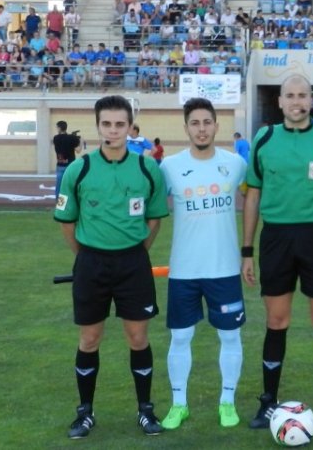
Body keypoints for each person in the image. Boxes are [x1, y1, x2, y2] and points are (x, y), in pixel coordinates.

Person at [241, 74, 313, 433]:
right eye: (289, 95)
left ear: (311, 101)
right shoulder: (264, 138)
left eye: (302, 95)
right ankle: (268, 401)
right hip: (275, 239)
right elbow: (253, 196)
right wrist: (247, 250)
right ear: (279, 102)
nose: (296, 101)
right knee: (276, 321)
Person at [54, 95, 171, 440]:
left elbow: (154, 219)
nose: (113, 130)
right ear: (97, 125)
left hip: (133, 262)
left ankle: (145, 410)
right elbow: (66, 222)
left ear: (130, 126)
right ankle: (85, 412)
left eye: (120, 124)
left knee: (138, 337)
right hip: (91, 263)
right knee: (89, 339)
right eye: (107, 124)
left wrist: (134, 253)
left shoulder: (147, 168)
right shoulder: (80, 168)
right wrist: (87, 256)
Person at [158, 97, 248, 430]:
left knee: (230, 337)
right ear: (186, 128)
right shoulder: (169, 166)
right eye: (194, 123)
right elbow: (151, 208)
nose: (201, 129)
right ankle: (178, 404)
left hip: (223, 269)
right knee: (180, 338)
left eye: (207, 122)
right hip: (183, 271)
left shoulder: (235, 163)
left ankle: (228, 401)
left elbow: (255, 196)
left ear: (216, 125)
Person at [53, 121, 84, 196]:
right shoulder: (72, 138)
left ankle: (60, 205)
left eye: (57, 127)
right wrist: (81, 141)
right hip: (70, 166)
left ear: (59, 128)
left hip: (60, 165)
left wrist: (72, 137)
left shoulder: (56, 138)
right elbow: (78, 150)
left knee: (60, 187)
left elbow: (63, 140)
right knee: (70, 186)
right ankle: (70, 204)